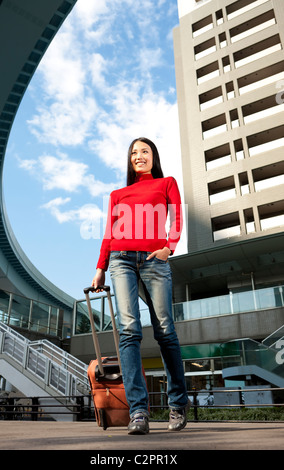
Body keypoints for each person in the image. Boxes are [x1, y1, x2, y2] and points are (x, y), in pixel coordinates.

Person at [91, 137, 190, 435]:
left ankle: (177, 403)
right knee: (129, 331)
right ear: (129, 160)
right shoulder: (118, 193)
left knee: (165, 330)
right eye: (134, 152)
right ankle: (138, 412)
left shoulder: (166, 183)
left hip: (154, 260)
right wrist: (100, 267)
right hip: (120, 260)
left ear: (153, 156)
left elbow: (176, 217)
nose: (139, 156)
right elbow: (110, 231)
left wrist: (168, 249)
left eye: (144, 151)